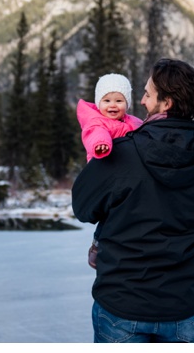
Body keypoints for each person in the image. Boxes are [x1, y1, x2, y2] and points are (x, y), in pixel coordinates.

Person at [72, 58, 194, 343]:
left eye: (147, 94)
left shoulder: (120, 155)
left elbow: (83, 207)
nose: (141, 102)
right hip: (184, 307)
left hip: (123, 305)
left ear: (166, 103)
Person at [76, 73, 143, 269]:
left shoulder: (132, 122)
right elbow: (94, 135)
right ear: (98, 103)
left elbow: (143, 131)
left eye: (119, 100)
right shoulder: (97, 122)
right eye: (107, 100)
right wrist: (101, 145)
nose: (113, 105)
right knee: (108, 214)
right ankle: (98, 244)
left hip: (124, 176)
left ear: (127, 103)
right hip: (103, 171)